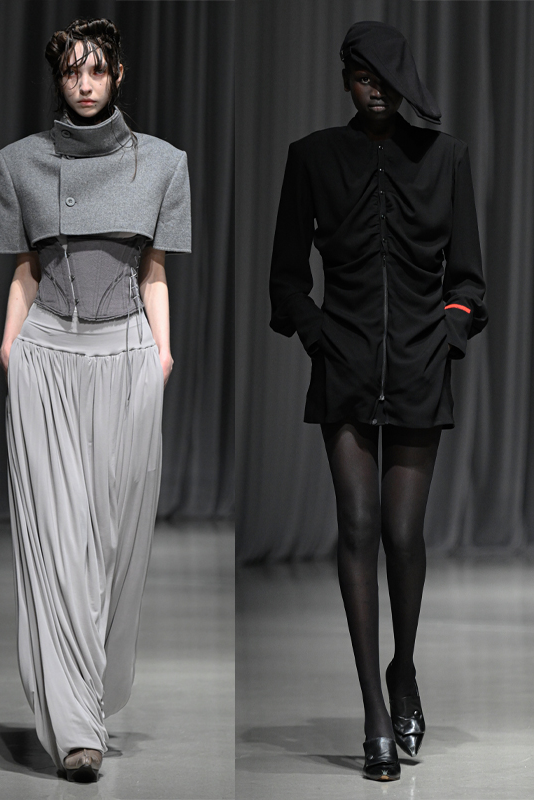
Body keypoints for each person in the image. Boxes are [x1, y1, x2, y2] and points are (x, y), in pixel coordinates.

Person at [268, 21, 486, 781]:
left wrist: (447, 336)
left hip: (421, 365)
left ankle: (404, 669)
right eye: (363, 78)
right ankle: (372, 712)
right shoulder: (313, 158)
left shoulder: (446, 158)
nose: (376, 91)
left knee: (402, 532)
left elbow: (469, 279)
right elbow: (286, 277)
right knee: (357, 526)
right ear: (345, 80)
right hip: (347, 365)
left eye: (387, 79)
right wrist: (320, 337)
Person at [0, 18, 190, 783]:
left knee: (113, 544)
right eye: (72, 71)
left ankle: (92, 693)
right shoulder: (19, 163)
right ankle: (77, 731)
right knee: (57, 537)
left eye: (96, 70)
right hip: (46, 355)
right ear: (58, 78)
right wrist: (10, 348)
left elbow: (155, 270)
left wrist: (162, 353)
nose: (83, 83)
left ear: (117, 75)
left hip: (128, 356)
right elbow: (25, 269)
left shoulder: (163, 163)